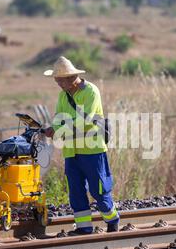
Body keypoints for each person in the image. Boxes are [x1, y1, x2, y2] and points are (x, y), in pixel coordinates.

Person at [43, 56, 120, 235]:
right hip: (71, 151)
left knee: (98, 189)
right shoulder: (63, 95)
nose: (58, 84)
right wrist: (52, 128)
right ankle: (84, 228)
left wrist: (59, 131)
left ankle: (112, 219)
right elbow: (58, 117)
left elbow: (84, 119)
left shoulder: (91, 91)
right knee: (76, 191)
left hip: (93, 150)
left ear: (71, 78)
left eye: (60, 80)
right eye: (56, 80)